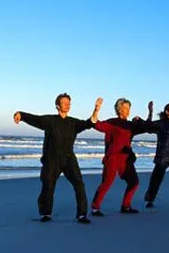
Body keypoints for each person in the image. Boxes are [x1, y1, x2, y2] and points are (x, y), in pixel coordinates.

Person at [13, 94, 103, 224]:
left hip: (69, 159)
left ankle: (82, 215)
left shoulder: (73, 123)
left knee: (79, 184)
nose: (67, 105)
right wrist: (20, 114)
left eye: (69, 103)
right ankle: (46, 213)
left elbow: (89, 123)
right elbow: (35, 119)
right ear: (57, 106)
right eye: (65, 103)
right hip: (51, 159)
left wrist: (96, 110)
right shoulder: (50, 120)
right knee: (48, 186)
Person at [91, 98, 147, 216]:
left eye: (129, 108)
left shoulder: (130, 125)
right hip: (113, 158)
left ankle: (125, 206)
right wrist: (96, 109)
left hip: (126, 159)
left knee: (134, 182)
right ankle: (95, 207)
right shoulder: (113, 122)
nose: (128, 111)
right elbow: (96, 124)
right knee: (107, 183)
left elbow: (147, 127)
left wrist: (148, 113)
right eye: (125, 108)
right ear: (119, 109)